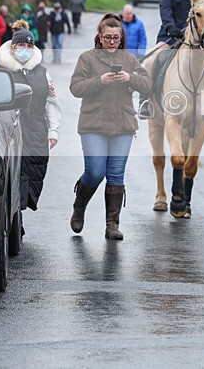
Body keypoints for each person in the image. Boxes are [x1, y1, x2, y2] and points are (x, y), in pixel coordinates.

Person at [69, 13, 152, 240]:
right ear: (100, 37)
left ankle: (112, 225)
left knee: (116, 174)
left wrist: (130, 78)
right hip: (93, 123)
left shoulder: (129, 59)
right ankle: (79, 206)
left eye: (116, 38)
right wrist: (100, 81)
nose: (112, 42)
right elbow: (75, 87)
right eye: (108, 38)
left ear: (122, 38)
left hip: (123, 125)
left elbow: (147, 85)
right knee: (95, 172)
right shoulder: (87, 58)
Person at [0, 21, 61, 227]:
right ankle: (15, 222)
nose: (24, 50)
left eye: (28, 47)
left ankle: (18, 215)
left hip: (36, 131)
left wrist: (54, 131)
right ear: (13, 47)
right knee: (14, 176)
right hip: (8, 132)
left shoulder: (43, 73)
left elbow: (52, 103)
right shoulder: (0, 71)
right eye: (20, 46)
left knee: (32, 175)